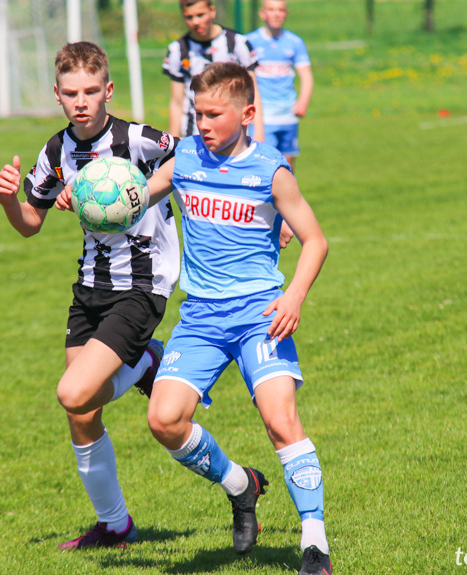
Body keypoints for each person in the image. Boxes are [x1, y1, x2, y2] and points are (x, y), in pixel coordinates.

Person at [0, 41, 180, 550]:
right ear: (57, 94)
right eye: (71, 92)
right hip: (90, 287)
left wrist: (134, 187)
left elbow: (195, 157)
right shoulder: (54, 152)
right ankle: (115, 526)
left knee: (72, 391)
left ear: (108, 91)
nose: (81, 101)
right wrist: (10, 200)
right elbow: (31, 223)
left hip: (143, 283)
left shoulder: (138, 139)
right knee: (82, 411)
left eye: (91, 91)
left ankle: (143, 364)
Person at [147, 62, 331, 574]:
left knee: (280, 420)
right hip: (201, 318)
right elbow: (135, 196)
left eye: (212, 114)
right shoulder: (184, 156)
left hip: (259, 315)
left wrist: (293, 295)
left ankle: (314, 542)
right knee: (163, 419)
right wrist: (84, 198)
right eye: (196, 113)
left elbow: (315, 239)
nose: (201, 123)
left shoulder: (270, 170)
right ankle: (240, 485)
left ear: (248, 113)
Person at [163, 0, 265, 141]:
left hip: (233, 135)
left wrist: (259, 133)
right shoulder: (177, 50)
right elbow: (177, 101)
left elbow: (253, 92)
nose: (196, 22)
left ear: (212, 11)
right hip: (194, 134)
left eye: (200, 15)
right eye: (189, 17)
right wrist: (174, 142)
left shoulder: (237, 43)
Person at [246, 0, 314, 172]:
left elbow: (306, 76)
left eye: (280, 10)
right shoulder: (250, 41)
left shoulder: (294, 42)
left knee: (288, 165)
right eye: (271, 10)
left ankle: (288, 198)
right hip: (263, 116)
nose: (276, 14)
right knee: (265, 164)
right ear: (262, 13)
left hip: (288, 115)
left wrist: (303, 101)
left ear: (286, 13)